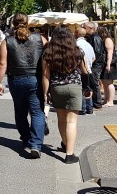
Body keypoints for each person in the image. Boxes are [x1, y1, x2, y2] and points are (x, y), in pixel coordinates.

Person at [0, 12, 47, 158]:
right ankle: (36, 144)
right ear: (28, 22)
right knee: (37, 112)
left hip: (16, 79)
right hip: (35, 79)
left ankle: (26, 139)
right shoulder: (40, 39)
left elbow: (2, 63)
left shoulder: (7, 41)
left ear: (13, 24)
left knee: (20, 111)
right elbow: (48, 59)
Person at [41, 25, 91, 164]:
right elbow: (84, 71)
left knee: (61, 119)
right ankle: (70, 154)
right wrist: (88, 87)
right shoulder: (77, 51)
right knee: (72, 121)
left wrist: (45, 93)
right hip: (74, 87)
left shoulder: (48, 52)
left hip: (56, 87)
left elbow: (45, 75)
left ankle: (64, 142)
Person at [75, 26, 95, 115]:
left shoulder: (76, 44)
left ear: (78, 34)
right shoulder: (88, 44)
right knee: (88, 88)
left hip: (81, 69)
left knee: (81, 89)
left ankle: (82, 108)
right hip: (89, 69)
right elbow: (94, 57)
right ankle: (89, 108)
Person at [83, 21, 104, 108]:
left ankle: (97, 103)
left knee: (94, 83)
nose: (84, 29)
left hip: (96, 65)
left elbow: (97, 53)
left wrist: (91, 62)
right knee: (93, 83)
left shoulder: (95, 38)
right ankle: (95, 102)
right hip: (95, 64)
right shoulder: (92, 37)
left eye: (85, 28)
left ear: (91, 28)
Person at [97, 26, 117, 107]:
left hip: (109, 64)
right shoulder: (105, 40)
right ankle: (106, 99)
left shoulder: (107, 40)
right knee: (105, 83)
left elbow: (110, 52)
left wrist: (108, 64)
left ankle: (110, 101)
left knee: (109, 83)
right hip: (105, 64)